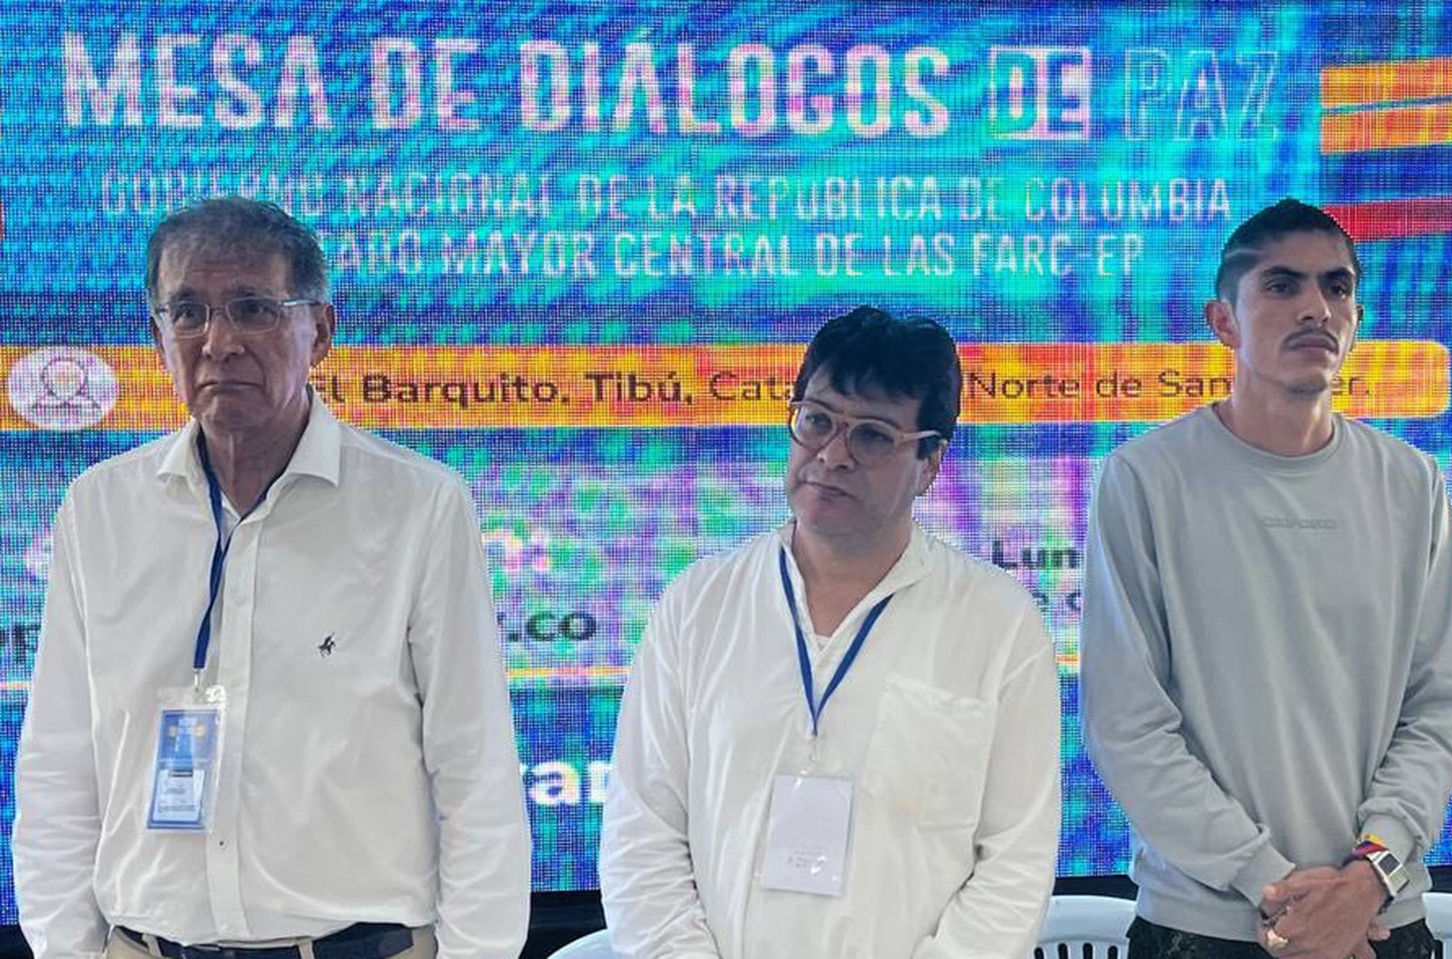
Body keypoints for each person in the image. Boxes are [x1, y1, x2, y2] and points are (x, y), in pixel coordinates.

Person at [12, 198, 531, 959]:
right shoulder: (101, 509)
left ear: (319, 330)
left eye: (253, 308)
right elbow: (58, 763)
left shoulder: (417, 505)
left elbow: (474, 765)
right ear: (157, 333)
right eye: (187, 311)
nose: (218, 342)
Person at [598, 306, 1061, 959]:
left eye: (871, 436)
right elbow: (641, 832)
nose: (832, 455)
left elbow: (1016, 858)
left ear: (930, 462)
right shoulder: (700, 603)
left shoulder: (998, 621)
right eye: (817, 420)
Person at [1079, 198, 1452, 959]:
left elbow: (1438, 708)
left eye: (1337, 286)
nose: (1316, 308)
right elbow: (1127, 723)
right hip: (1206, 926)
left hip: (1378, 916)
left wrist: (1367, 875)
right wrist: (1273, 882)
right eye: (1282, 285)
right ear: (1223, 320)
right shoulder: (1146, 480)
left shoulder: (1412, 483)